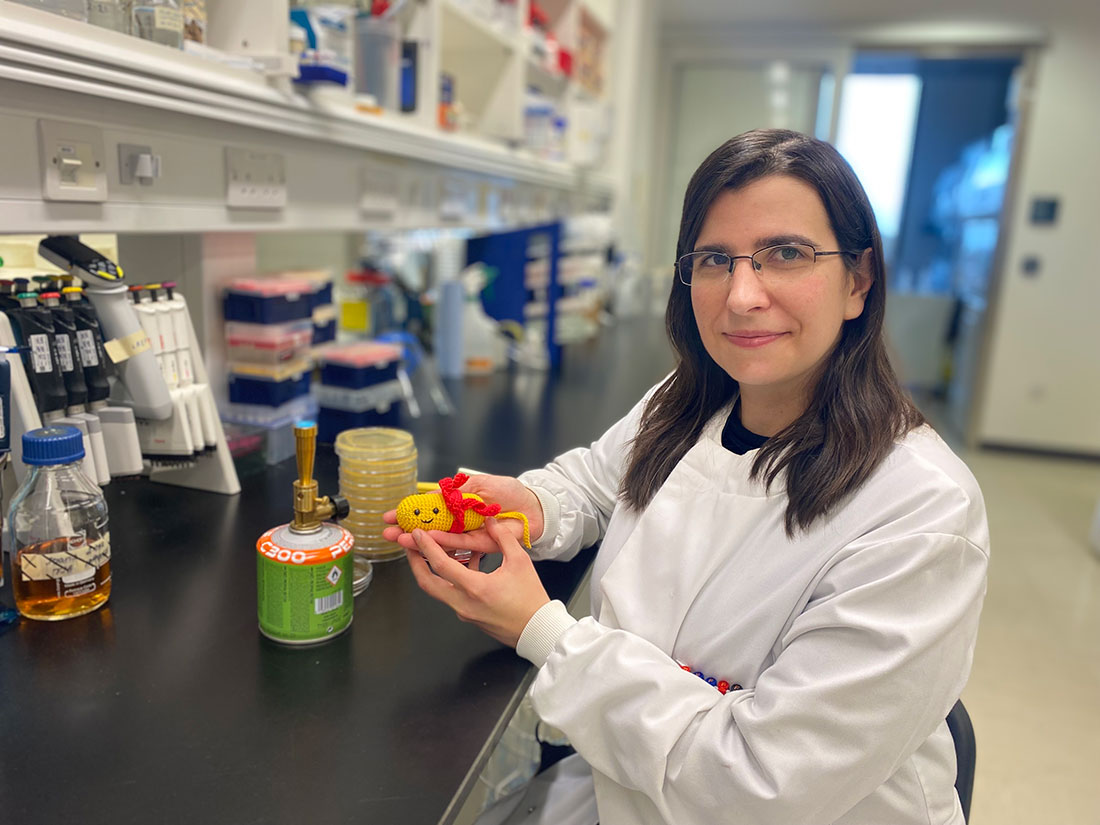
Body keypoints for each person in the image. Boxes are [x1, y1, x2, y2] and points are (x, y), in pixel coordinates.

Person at [383, 128, 989, 825]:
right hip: (628, 779)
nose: (741, 295)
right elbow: (596, 480)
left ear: (858, 280)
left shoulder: (920, 511)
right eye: (713, 259)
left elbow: (759, 783)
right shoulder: (697, 397)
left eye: (785, 254)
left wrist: (542, 630)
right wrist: (533, 506)